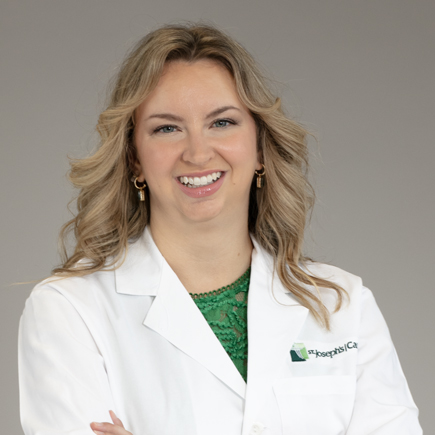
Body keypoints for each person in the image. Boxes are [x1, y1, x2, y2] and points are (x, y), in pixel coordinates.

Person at [18, 23, 422, 435]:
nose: (197, 153)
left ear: (260, 146)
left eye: (222, 123)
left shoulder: (342, 304)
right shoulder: (69, 311)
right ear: (134, 158)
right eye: (167, 128)